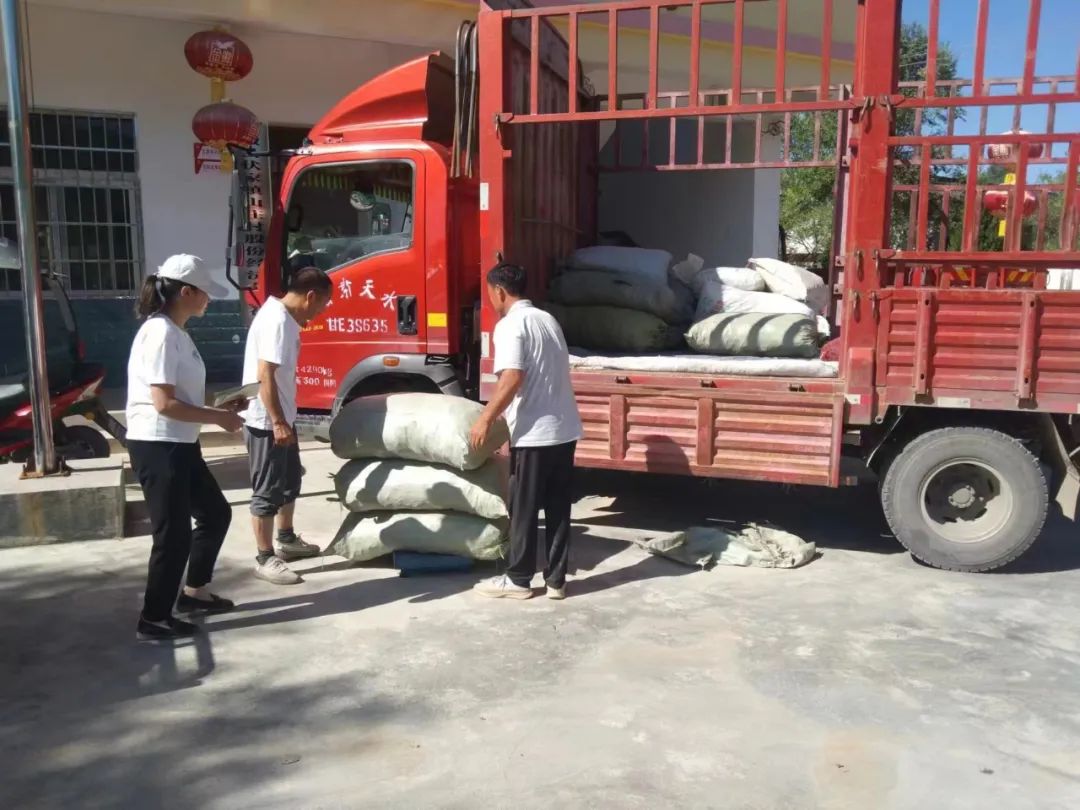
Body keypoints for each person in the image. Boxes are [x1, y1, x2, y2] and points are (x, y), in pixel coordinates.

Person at [126, 255, 245, 643]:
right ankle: (153, 618)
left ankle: (194, 593)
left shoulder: (178, 332)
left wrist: (220, 407)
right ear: (186, 291)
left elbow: (182, 396)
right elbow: (163, 403)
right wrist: (217, 419)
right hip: (158, 444)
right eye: (206, 293)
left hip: (180, 441)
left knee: (214, 514)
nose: (209, 300)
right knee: (172, 535)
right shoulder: (159, 333)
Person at [470, 262, 582, 600]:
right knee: (559, 509)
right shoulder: (547, 320)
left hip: (535, 433)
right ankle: (556, 581)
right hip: (564, 429)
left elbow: (512, 376)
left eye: (490, 292)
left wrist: (486, 418)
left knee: (523, 508)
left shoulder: (510, 325)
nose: (490, 299)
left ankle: (518, 580)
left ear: (500, 291)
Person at [242, 267, 333, 585]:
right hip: (267, 421)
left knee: (290, 480)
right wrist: (278, 422)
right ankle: (265, 558)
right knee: (267, 491)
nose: (321, 311)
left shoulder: (283, 319)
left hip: (282, 418)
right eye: (323, 304)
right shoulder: (277, 321)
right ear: (311, 296)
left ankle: (287, 539)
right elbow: (264, 373)